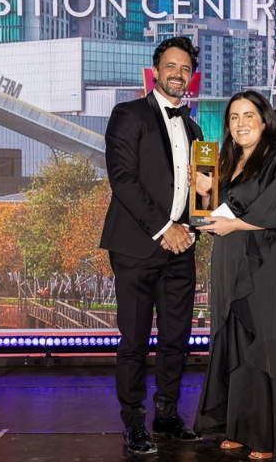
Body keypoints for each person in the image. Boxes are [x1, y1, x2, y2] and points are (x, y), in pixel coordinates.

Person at [193, 91, 276, 461]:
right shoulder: (226, 160)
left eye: (248, 115)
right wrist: (203, 197)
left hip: (272, 262)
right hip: (233, 259)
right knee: (238, 340)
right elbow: (210, 212)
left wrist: (233, 223)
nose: (240, 124)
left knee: (269, 340)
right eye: (233, 117)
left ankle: (273, 436)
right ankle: (241, 427)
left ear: (265, 120)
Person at [100, 36, 204, 455]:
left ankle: (166, 415)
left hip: (182, 247)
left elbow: (201, 191)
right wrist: (166, 227)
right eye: (171, 66)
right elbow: (122, 179)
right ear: (156, 71)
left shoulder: (196, 128)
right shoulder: (128, 115)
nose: (178, 74)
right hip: (137, 247)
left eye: (185, 69)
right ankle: (133, 423)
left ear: (191, 77)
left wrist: (195, 224)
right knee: (135, 340)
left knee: (177, 339)